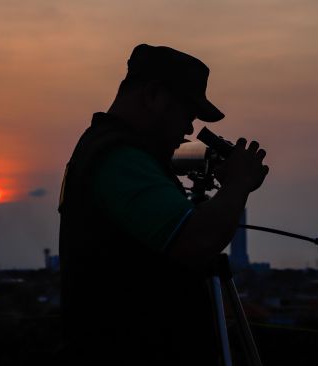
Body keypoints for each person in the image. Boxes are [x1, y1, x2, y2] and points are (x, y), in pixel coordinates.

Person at [58, 44, 269, 365]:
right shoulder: (119, 159)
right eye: (187, 113)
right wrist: (238, 182)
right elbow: (197, 241)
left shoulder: (109, 150)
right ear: (153, 95)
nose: (188, 129)